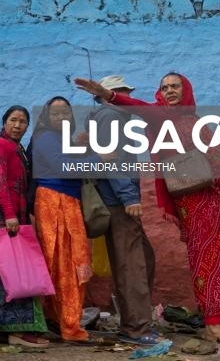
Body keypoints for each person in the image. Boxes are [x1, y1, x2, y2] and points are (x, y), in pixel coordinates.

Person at [75, 73, 220, 347]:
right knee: (212, 262)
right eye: (164, 87)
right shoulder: (163, 116)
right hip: (197, 203)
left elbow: (210, 161)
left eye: (174, 86)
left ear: (186, 89)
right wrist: (108, 95)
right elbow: (138, 107)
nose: (169, 91)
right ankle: (214, 324)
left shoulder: (191, 118)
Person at [30, 97, 114, 342]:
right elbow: (63, 167)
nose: (61, 118)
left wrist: (85, 149)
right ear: (46, 117)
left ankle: (60, 321)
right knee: (65, 264)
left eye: (65, 113)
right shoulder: (46, 138)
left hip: (67, 201)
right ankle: (68, 325)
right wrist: (98, 158)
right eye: (55, 114)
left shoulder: (60, 139)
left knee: (70, 263)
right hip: (55, 202)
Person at [84, 76, 158, 345]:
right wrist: (128, 197)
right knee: (133, 266)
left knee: (140, 261)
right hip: (119, 202)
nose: (128, 98)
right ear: (111, 94)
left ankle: (134, 322)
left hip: (114, 200)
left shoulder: (105, 117)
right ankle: (136, 328)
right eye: (124, 92)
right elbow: (112, 162)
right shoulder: (112, 116)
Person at [0, 106, 50, 346]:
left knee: (10, 270)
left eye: (23, 121)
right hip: (1, 218)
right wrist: (9, 215)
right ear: (4, 122)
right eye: (13, 120)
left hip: (12, 217)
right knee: (8, 272)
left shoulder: (17, 149)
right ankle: (15, 330)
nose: (18, 125)